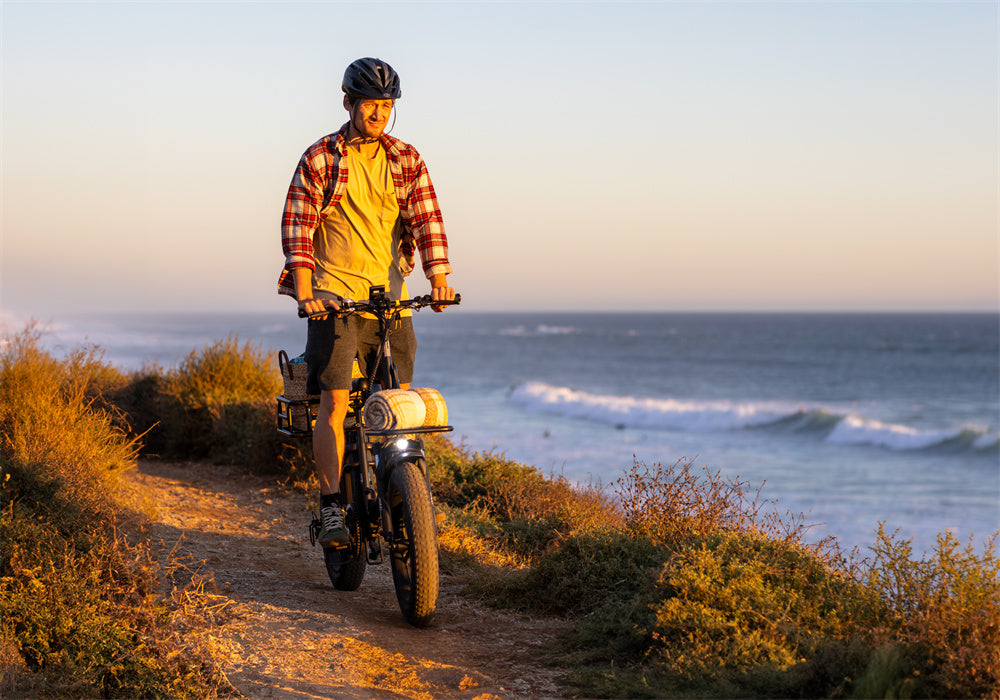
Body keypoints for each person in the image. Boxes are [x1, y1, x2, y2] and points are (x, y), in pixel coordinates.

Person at [277, 57, 455, 547]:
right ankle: (333, 505)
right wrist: (308, 291)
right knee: (335, 401)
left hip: (390, 301)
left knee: (402, 401)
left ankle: (405, 491)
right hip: (335, 298)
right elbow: (298, 227)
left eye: (386, 105)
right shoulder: (321, 158)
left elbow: (427, 219)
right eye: (370, 104)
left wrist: (439, 279)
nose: (379, 113)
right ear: (349, 104)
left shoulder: (406, 158)